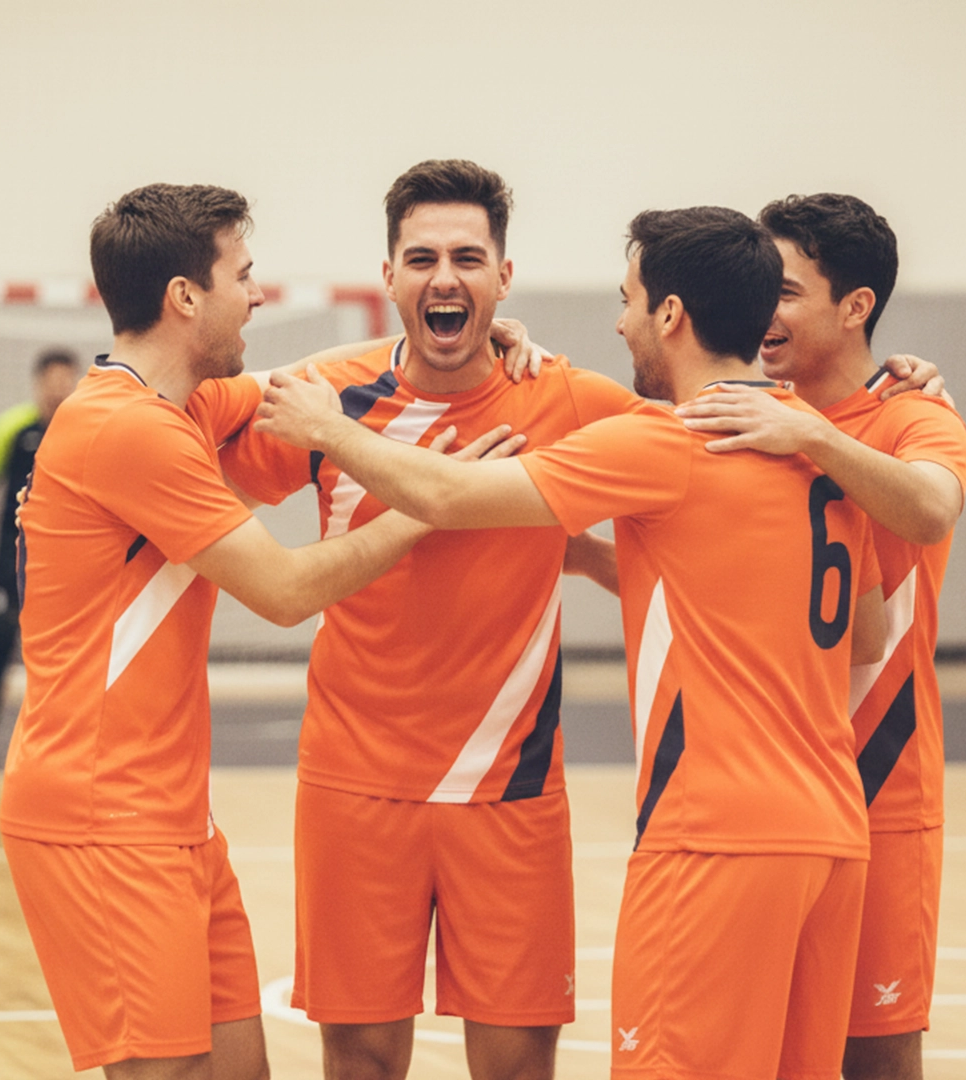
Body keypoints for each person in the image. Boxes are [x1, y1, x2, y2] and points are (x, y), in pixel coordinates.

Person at [254, 204, 888, 1080]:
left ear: (669, 314)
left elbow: (447, 497)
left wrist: (329, 430)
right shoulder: (825, 444)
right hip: (832, 826)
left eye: (628, 300)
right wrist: (591, 553)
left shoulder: (653, 435)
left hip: (707, 831)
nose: (618, 321)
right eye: (424, 258)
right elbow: (868, 630)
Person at [0, 183, 515, 1080]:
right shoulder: (127, 432)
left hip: (173, 819)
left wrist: (464, 344)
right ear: (185, 297)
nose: (259, 294)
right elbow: (282, 589)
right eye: (243, 274)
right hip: (100, 818)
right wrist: (435, 500)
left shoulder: (179, 408)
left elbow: (309, 385)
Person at [204, 159, 644, 1080]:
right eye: (423, 258)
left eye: (469, 259)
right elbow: (181, 434)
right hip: (355, 781)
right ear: (391, 277)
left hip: (512, 785)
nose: (445, 276)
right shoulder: (327, 394)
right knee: (361, 1059)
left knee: (519, 1062)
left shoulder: (566, 398)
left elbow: (711, 420)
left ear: (503, 280)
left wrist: (889, 394)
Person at [672, 194, 966, 1080]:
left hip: (880, 776)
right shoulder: (743, 414)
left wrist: (811, 433)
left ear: (856, 307)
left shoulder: (918, 416)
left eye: (789, 291)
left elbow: (928, 507)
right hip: (762, 792)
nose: (765, 310)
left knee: (875, 1055)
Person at [0, 348, 84, 756]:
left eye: (67, 380)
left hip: (69, 557)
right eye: (52, 380)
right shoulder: (11, 428)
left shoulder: (85, 426)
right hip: (14, 556)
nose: (59, 388)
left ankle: (69, 730)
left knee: (71, 645)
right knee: (2, 634)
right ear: (38, 383)